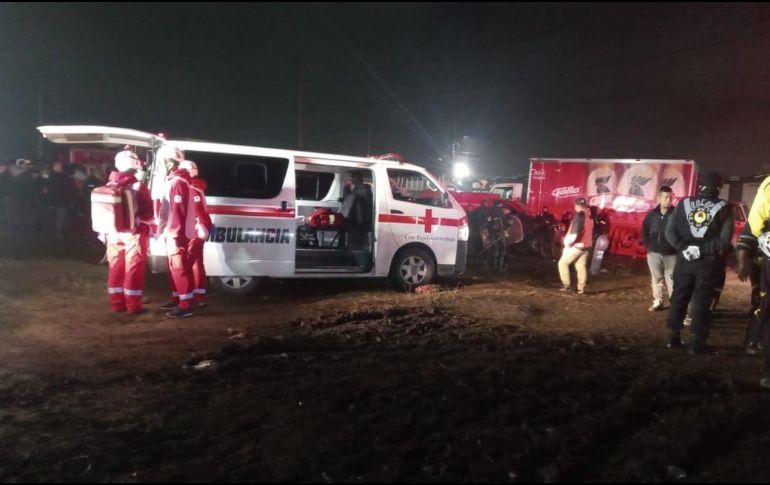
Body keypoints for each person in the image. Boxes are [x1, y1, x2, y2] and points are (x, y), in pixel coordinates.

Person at [664, 171, 733, 353]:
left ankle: (672, 337)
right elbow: (724, 240)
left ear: (699, 186)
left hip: (684, 260)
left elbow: (669, 233)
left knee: (679, 297)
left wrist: (683, 248)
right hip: (708, 263)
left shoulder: (683, 204)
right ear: (718, 188)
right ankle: (697, 343)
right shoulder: (724, 207)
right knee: (702, 300)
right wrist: (701, 250)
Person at [103, 150, 153, 314]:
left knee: (115, 266)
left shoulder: (110, 184)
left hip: (113, 232)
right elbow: (148, 212)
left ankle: (117, 304)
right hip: (134, 233)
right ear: (136, 165)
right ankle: (133, 305)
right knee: (133, 269)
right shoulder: (138, 186)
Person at [157, 146, 196, 319]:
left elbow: (177, 212)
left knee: (178, 268)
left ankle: (185, 305)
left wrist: (172, 232)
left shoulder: (178, 183)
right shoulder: (177, 181)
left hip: (175, 233)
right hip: (173, 232)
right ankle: (178, 299)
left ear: (169, 163)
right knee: (174, 268)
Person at [178, 160, 213, 307]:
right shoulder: (198, 187)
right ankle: (199, 295)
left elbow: (198, 211)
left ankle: (190, 295)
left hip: (196, 230)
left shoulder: (191, 188)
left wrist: (200, 226)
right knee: (197, 262)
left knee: (188, 263)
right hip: (200, 228)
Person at [641, 186, 677, 312]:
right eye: (666, 197)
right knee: (656, 278)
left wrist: (677, 247)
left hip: (671, 254)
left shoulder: (676, 214)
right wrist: (648, 245)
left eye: (670, 197)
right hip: (654, 253)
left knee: (672, 280)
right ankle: (658, 301)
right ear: (659, 198)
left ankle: (675, 304)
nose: (668, 200)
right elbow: (644, 229)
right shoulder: (652, 214)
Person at [558, 197, 594, 295]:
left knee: (562, 263)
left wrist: (568, 244)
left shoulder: (580, 215)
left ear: (576, 206)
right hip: (587, 246)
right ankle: (580, 289)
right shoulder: (589, 216)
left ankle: (566, 286)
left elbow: (574, 232)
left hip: (578, 245)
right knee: (580, 266)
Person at [736, 224, 763, 354]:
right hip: (762, 267)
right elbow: (745, 241)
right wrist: (742, 264)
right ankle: (752, 340)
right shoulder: (760, 216)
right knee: (761, 302)